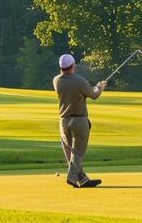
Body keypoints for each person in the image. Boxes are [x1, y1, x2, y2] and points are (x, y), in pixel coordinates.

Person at [53, 54, 106, 188]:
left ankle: (83, 179)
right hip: (79, 120)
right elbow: (93, 95)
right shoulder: (80, 81)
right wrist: (100, 87)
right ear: (73, 66)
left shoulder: (56, 80)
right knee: (77, 152)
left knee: (71, 151)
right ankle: (71, 177)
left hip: (64, 121)